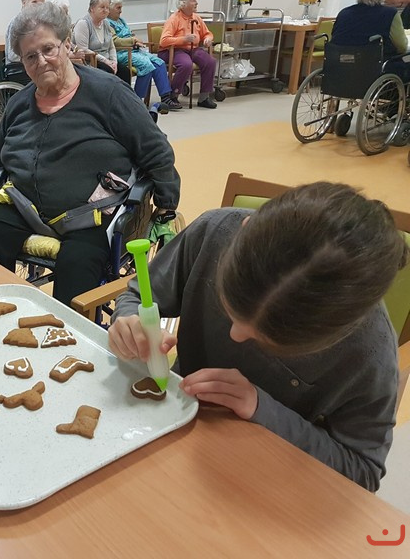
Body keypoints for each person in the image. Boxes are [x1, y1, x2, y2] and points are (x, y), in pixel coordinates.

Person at [108, 182, 409, 492]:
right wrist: (129, 321)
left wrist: (263, 408)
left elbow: (362, 472)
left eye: (267, 340)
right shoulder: (214, 232)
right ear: (244, 230)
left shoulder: (369, 352)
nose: (235, 335)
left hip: (265, 479)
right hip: (171, 430)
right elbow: (139, 295)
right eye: (228, 307)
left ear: (338, 333)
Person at [0, 2, 179, 306]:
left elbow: (155, 150)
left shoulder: (109, 93)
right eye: (30, 56)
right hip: (25, 206)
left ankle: (66, 333)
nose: (41, 61)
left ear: (67, 44)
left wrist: (166, 203)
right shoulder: (18, 104)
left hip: (90, 215)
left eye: (48, 49)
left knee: (79, 263)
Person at [107, 0, 182, 111]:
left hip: (134, 50)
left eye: (121, 7)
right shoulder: (107, 23)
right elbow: (115, 41)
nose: (121, 11)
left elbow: (129, 35)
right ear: (110, 8)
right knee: (146, 65)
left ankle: (165, 97)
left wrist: (136, 41)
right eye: (118, 8)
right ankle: (137, 100)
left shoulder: (121, 21)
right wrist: (133, 40)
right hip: (122, 52)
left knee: (159, 62)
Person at [333, 0, 409, 80]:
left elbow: (335, 39)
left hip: (342, 67)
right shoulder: (389, 14)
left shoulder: (344, 13)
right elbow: (402, 46)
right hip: (376, 68)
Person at [159, 0, 218, 109]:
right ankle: (173, 95)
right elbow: (164, 41)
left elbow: (207, 33)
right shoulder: (174, 19)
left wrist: (207, 39)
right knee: (186, 64)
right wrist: (183, 39)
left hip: (193, 49)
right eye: (193, 1)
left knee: (210, 62)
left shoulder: (197, 18)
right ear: (183, 3)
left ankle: (204, 98)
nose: (197, 3)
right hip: (174, 50)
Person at [73, 0, 132, 84]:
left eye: (107, 8)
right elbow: (83, 50)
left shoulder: (106, 23)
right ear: (92, 8)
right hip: (91, 63)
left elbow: (111, 46)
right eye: (102, 7)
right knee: (108, 72)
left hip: (107, 61)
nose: (106, 10)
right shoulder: (83, 24)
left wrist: (114, 62)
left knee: (125, 71)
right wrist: (105, 61)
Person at [4, 0, 46, 65]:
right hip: (18, 67)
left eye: (41, 4)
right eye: (34, 2)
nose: (37, 6)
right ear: (24, 2)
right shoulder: (17, 22)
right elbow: (13, 56)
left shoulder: (38, 23)